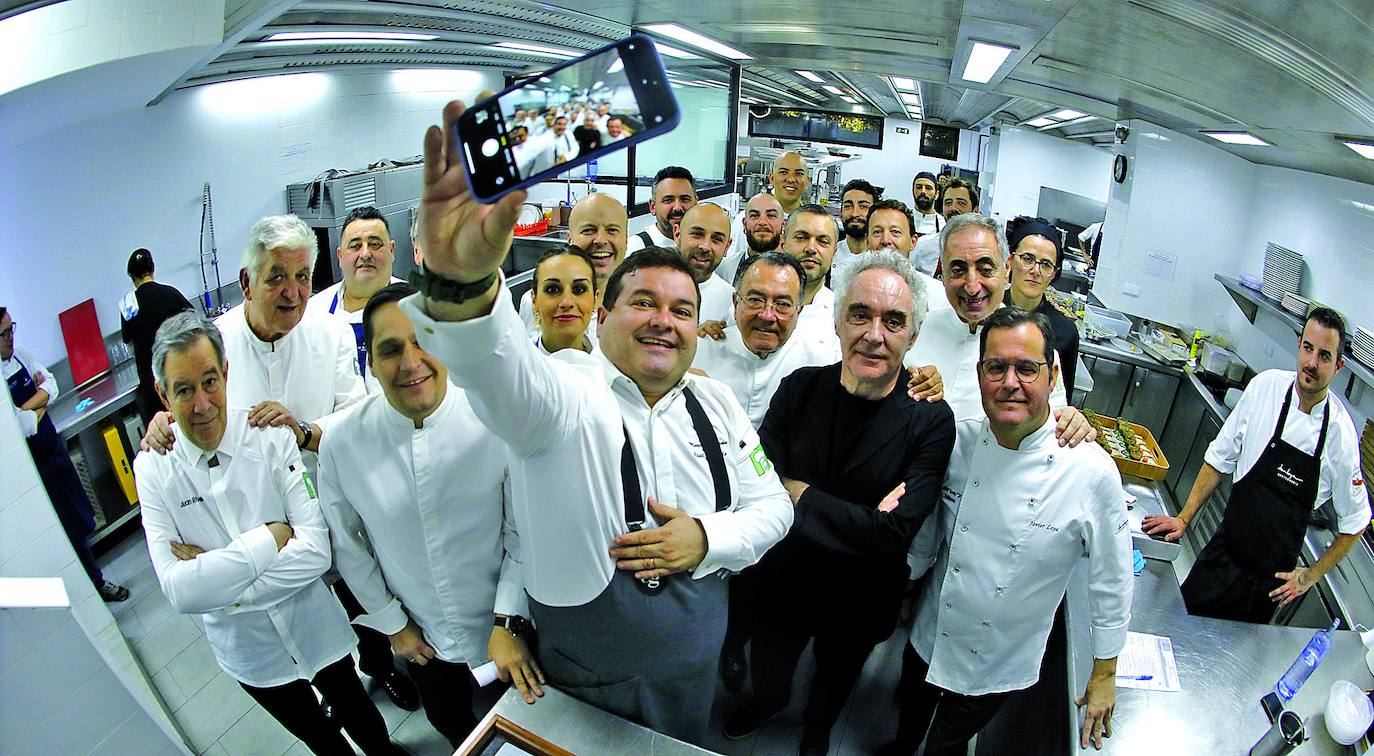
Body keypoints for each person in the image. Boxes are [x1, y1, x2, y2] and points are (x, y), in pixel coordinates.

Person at [397, 99, 794, 745]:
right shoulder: (565, 394)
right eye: (643, 302)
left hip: (692, 672)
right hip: (588, 678)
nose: (664, 319)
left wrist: (707, 538)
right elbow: (499, 378)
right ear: (601, 319)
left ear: (698, 327)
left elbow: (774, 508)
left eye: (681, 309)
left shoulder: (715, 404)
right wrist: (465, 285)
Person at [142, 214, 418, 713]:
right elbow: (190, 401)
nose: (292, 292)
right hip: (261, 528)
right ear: (247, 281)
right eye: (276, 277)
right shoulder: (216, 342)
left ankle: (378, 668)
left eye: (302, 276)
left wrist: (305, 431)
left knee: (358, 596)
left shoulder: (329, 332)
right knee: (291, 625)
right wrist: (163, 422)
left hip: (329, 502)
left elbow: (356, 417)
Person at [136, 313, 401, 756]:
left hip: (313, 623)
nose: (201, 404)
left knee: (360, 714)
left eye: (209, 381)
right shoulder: (152, 471)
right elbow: (180, 592)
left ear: (226, 373)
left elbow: (316, 552)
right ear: (163, 393)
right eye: (183, 390)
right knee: (319, 737)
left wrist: (220, 582)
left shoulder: (268, 437)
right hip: (249, 652)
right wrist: (272, 538)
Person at [724, 251, 956, 755]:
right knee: (771, 665)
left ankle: (817, 732)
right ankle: (768, 704)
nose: (875, 333)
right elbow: (757, 488)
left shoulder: (929, 421)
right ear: (836, 321)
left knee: (836, 677)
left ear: (913, 337)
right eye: (860, 314)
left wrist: (799, 492)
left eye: (894, 321)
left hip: (861, 596)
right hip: (782, 580)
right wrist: (862, 518)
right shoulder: (800, 388)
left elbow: (893, 533)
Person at [879, 307, 1131, 756]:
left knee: (945, 746)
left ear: (1053, 375)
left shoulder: (1090, 472)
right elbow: (930, 529)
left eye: (1026, 368)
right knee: (909, 718)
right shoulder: (959, 440)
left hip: (999, 655)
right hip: (933, 628)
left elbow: (1112, 580)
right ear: (979, 375)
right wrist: (904, 589)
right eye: (996, 367)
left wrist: (1104, 674)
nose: (1010, 382)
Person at [317, 284, 543, 748]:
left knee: (526, 729)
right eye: (390, 349)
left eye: (422, 340)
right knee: (450, 722)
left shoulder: (489, 416)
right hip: (422, 640)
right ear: (372, 363)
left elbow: (522, 533)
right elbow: (348, 545)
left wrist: (508, 621)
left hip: (505, 625)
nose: (410, 361)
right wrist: (393, 625)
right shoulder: (343, 443)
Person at [1144, 308, 1371, 623]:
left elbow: (1356, 523)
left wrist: (1311, 575)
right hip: (1222, 557)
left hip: (1267, 587)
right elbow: (1218, 459)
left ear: (1338, 366)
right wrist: (1184, 518)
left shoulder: (1341, 437)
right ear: (1300, 346)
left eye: (1324, 356)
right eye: (1307, 348)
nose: (1311, 363)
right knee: (1173, 632)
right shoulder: (1266, 388)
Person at [2, 307, 129, 602]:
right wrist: (37, 405)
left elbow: (52, 385)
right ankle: (94, 587)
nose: (11, 337)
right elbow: (20, 426)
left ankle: (93, 582)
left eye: (12, 329)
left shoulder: (21, 353)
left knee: (80, 516)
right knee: (65, 532)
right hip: (38, 469)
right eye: (4, 333)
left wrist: (31, 405)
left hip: (56, 452)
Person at [692, 252, 837, 428]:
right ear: (736, 303)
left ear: (798, 312)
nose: (767, 315)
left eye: (782, 304)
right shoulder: (698, 352)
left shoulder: (821, 365)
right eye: (755, 300)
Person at [306, 206, 405, 391]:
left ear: (391, 250)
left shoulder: (418, 306)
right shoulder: (312, 313)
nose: (365, 254)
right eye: (355, 245)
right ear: (340, 256)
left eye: (375, 244)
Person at [517, 193, 628, 338]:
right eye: (588, 230)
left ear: (626, 239)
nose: (600, 240)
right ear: (570, 239)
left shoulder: (637, 308)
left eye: (612, 230)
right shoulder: (535, 303)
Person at [1004, 216, 1080, 397]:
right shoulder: (986, 311)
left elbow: (1062, 403)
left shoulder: (1065, 332)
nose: (1035, 271)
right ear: (1010, 260)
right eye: (1028, 258)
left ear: (1054, 274)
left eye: (1046, 264)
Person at [119, 247, 194, 424]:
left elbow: (127, 340)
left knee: (163, 438)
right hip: (180, 378)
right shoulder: (171, 293)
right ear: (153, 268)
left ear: (132, 277)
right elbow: (195, 321)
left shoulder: (130, 305)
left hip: (152, 386)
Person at [862, 198, 951, 313]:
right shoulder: (852, 291)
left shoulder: (939, 296)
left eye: (895, 232)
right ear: (867, 241)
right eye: (877, 232)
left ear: (913, 242)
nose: (885, 240)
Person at [530, 246, 599, 354]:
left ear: (595, 299)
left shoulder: (611, 363)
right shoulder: (515, 366)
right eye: (553, 289)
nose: (567, 302)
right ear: (534, 300)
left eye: (579, 289)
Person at [674, 203, 735, 325]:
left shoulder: (732, 302)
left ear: (727, 247)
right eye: (697, 234)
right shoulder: (649, 285)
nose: (705, 246)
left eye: (717, 239)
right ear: (677, 234)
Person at [910, 177, 981, 276]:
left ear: (975, 211)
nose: (953, 208)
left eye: (961, 203)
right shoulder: (923, 246)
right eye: (948, 203)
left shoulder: (982, 251)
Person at [716, 192, 784, 285]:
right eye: (755, 216)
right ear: (744, 224)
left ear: (783, 225)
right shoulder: (725, 269)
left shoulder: (794, 272)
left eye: (771, 216)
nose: (762, 222)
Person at [628, 166, 697, 253]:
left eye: (685, 199)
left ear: (696, 203)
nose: (677, 208)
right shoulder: (633, 249)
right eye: (668, 200)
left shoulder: (708, 248)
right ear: (653, 207)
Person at [834, 178, 878, 273]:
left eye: (863, 206)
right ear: (840, 213)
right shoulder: (829, 255)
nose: (854, 213)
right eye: (848, 206)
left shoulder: (881, 259)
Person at [910, 172, 943, 236]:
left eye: (928, 188)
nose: (923, 191)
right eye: (919, 187)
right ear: (913, 191)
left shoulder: (944, 225)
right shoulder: (903, 220)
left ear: (936, 194)